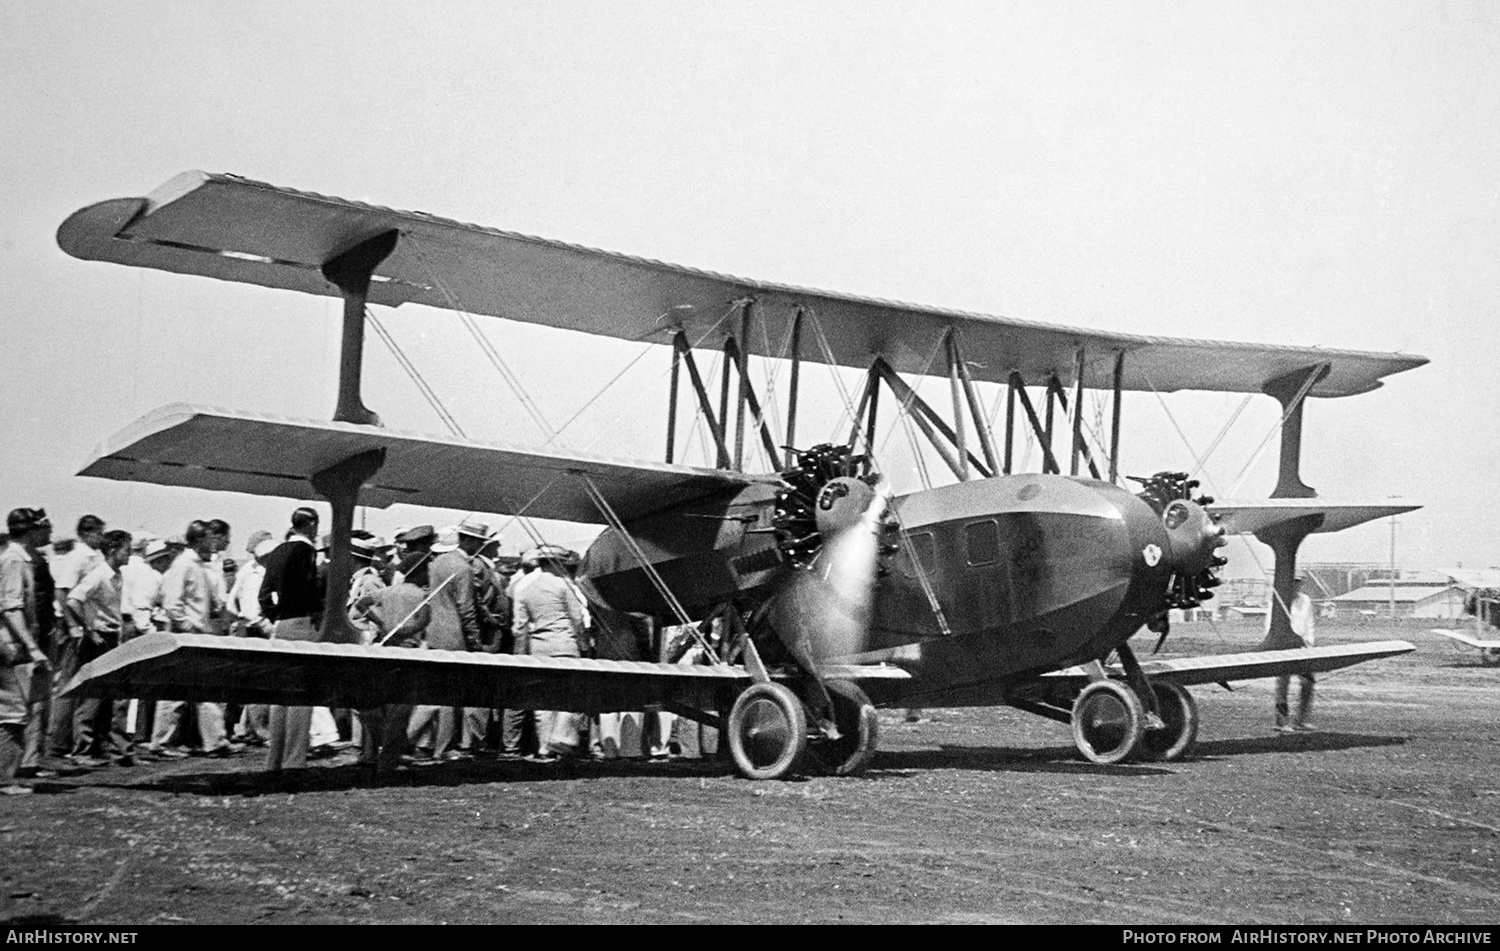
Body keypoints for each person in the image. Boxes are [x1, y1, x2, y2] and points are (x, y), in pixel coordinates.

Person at [148, 520, 235, 758]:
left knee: (201, 688)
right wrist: (187, 626)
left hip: (200, 634)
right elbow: (171, 602)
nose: (213, 542)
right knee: (179, 690)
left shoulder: (198, 565)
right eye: (208, 538)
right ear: (198, 540)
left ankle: (213, 740)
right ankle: (164, 742)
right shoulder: (183, 565)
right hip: (188, 636)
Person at [352, 551, 432, 772]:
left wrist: (383, 624)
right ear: (421, 572)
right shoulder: (422, 596)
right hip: (407, 652)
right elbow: (424, 621)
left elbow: (361, 603)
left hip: (386, 650)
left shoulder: (390, 590)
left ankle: (387, 753)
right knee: (400, 709)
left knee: (381, 705)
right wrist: (406, 630)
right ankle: (388, 762)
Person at [258, 507, 323, 771]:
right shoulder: (307, 552)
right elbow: (310, 588)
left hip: (281, 624)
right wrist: (316, 610)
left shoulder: (277, 551)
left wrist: (276, 615)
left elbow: (264, 594)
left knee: (281, 697)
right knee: (301, 696)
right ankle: (294, 760)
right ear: (311, 525)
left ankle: (274, 759)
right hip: (302, 622)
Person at [64, 529, 135, 766]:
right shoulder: (98, 575)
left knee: (108, 696)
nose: (130, 554)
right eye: (127, 549)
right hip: (98, 641)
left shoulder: (117, 575)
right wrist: (89, 629)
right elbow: (73, 599)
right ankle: (81, 752)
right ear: (113, 550)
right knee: (91, 696)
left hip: (111, 638)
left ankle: (102, 748)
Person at [512, 546, 588, 762]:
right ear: (556, 563)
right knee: (569, 695)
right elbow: (577, 619)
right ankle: (561, 738)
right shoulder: (564, 586)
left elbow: (520, 626)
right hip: (564, 644)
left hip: (539, 646)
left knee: (543, 700)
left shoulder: (524, 588)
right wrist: (583, 646)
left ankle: (544, 748)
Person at [1, 508, 53, 795]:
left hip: (14, 643)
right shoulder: (14, 560)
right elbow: (12, 608)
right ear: (31, 531)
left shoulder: (20, 558)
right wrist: (32, 647)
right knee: (12, 712)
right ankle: (5, 779)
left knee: (16, 710)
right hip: (11, 645)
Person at [48, 514, 105, 758]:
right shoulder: (79, 557)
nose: (101, 537)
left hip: (85, 624)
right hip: (74, 625)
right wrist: (73, 625)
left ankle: (70, 740)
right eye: (98, 533)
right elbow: (62, 591)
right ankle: (59, 741)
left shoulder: (93, 556)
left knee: (82, 681)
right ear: (87, 533)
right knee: (70, 682)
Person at [1274, 574, 1317, 733]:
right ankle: (1281, 722)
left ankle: (1302, 719)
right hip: (1284, 648)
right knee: (1283, 685)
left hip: (1303, 649)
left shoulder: (1305, 601)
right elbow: (1270, 625)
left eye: (1299, 582)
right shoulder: (1277, 599)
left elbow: (1310, 623)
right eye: (1293, 582)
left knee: (1308, 682)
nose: (1296, 585)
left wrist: (1309, 644)